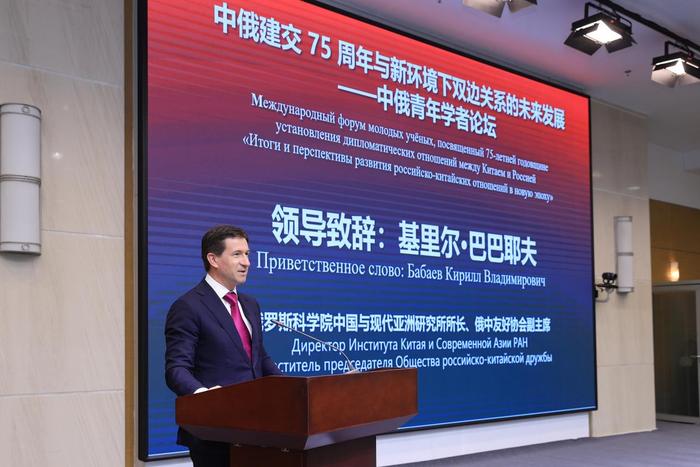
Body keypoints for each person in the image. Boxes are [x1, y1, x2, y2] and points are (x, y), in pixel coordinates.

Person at [165, 225, 281, 467]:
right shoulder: (188, 306)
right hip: (214, 432)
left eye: (247, 254)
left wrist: (295, 389)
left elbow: (259, 359)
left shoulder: (250, 305)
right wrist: (205, 397)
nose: (247, 262)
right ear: (213, 259)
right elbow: (176, 369)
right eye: (237, 254)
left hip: (259, 429)